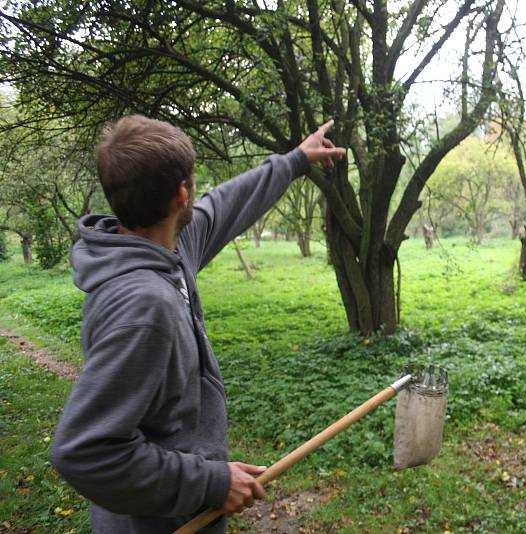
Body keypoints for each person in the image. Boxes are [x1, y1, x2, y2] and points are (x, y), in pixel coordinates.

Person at [50, 115, 345, 533]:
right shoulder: (144, 306)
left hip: (179, 511)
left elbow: (224, 205)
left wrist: (296, 159)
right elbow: (84, 451)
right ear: (182, 193)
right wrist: (211, 480)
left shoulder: (167, 251)